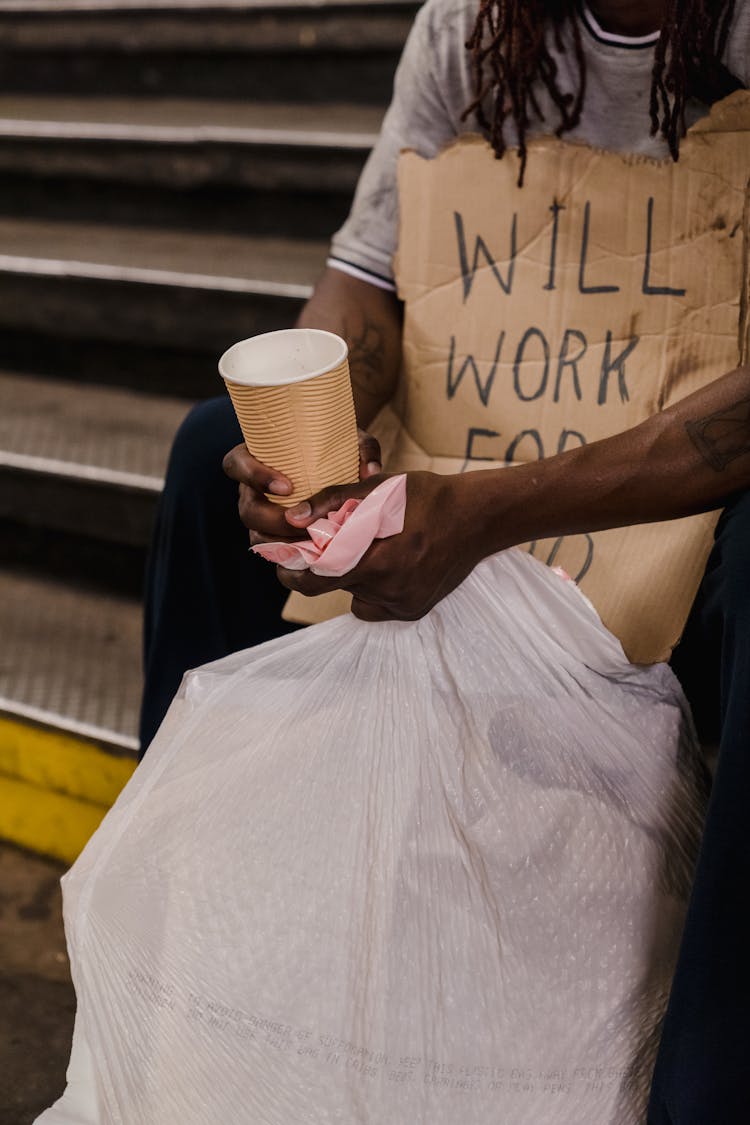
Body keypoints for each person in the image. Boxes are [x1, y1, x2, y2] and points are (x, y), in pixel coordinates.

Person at [140, 1, 750, 1120]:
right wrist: (310, 458)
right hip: (476, 462)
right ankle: (197, 945)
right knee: (200, 457)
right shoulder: (472, 29)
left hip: (680, 503)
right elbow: (365, 279)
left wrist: (483, 513)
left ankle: (713, 1080)